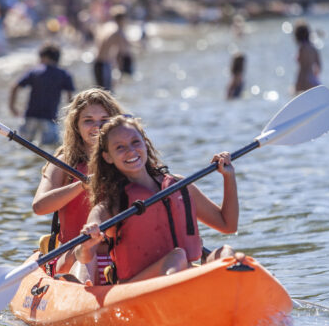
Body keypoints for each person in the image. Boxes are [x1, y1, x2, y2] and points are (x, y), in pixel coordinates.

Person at [75, 115, 239, 284]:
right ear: (108, 157)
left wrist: (229, 177)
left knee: (225, 253)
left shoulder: (178, 186)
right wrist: (88, 243)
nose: (131, 150)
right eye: (119, 147)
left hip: (183, 275)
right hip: (137, 288)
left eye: (135, 142)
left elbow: (228, 225)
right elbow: (82, 255)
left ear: (145, 143)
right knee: (177, 256)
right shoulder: (111, 205)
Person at [32, 88, 125, 281]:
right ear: (76, 125)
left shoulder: (128, 158)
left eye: (104, 120)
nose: (97, 126)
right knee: (85, 254)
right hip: (72, 256)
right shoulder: (64, 162)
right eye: (88, 120)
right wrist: (81, 185)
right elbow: (39, 207)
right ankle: (84, 295)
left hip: (119, 255)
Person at [9, 43, 75, 145]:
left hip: (30, 116)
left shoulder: (34, 71)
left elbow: (15, 86)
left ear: (43, 57)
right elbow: (70, 98)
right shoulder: (64, 74)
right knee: (49, 150)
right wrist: (69, 115)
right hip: (49, 118)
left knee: (23, 145)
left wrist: (12, 107)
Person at [93, 5, 132, 90]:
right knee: (106, 95)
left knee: (101, 94)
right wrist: (120, 73)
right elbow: (122, 53)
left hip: (97, 64)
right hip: (104, 65)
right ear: (122, 20)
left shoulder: (108, 26)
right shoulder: (117, 32)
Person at [293, 20, 321, 93]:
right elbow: (319, 67)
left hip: (303, 79)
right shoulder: (313, 48)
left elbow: (301, 63)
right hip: (313, 80)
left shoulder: (302, 48)